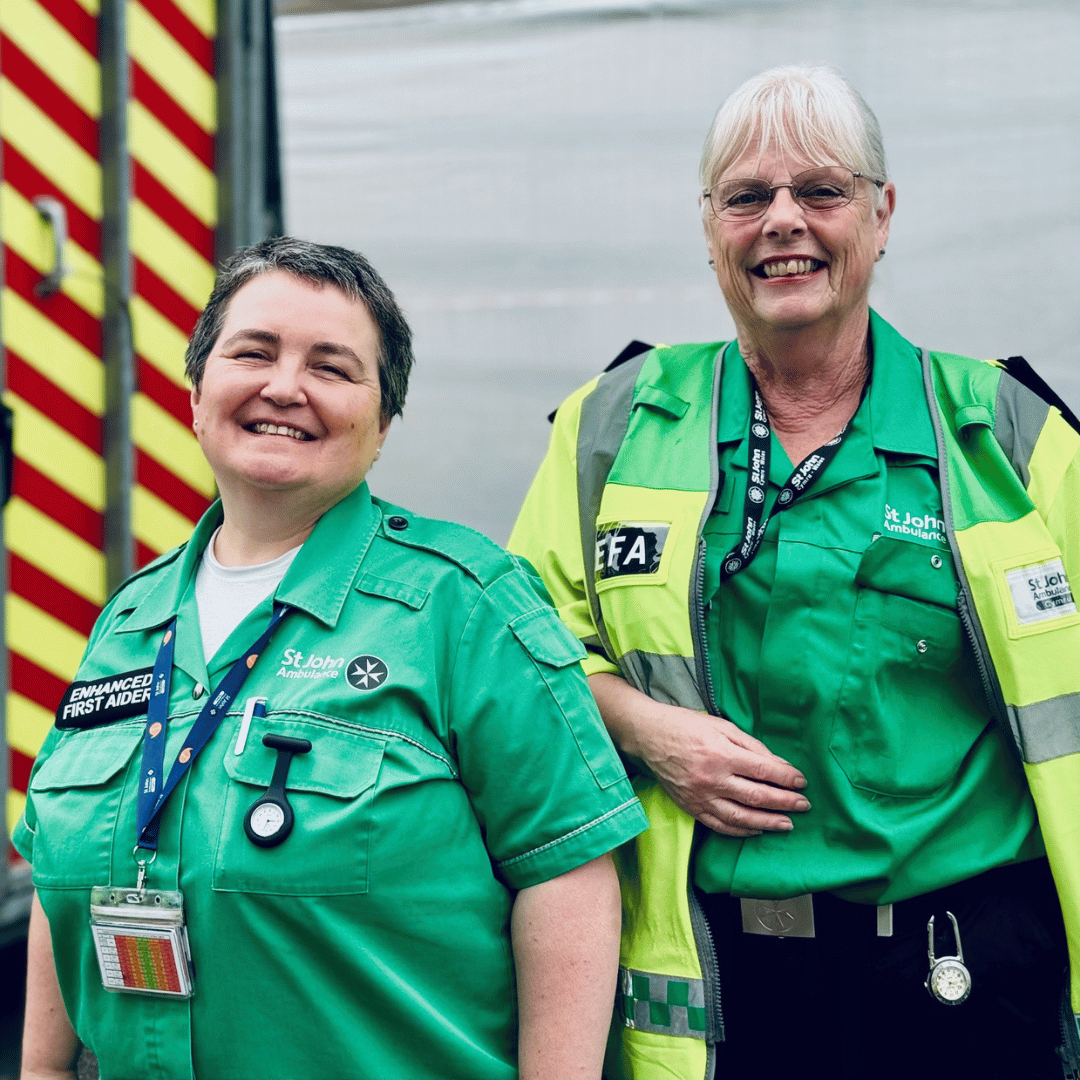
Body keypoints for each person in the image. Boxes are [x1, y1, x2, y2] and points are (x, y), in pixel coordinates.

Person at [509, 65, 1080, 1080]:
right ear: (710, 226)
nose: (784, 222)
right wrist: (646, 728)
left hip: (968, 971)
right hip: (719, 975)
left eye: (821, 191)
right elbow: (519, 649)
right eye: (747, 197)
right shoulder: (613, 425)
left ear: (882, 212)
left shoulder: (1009, 434)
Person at [17, 237, 648, 1080]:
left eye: (332, 366)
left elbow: (567, 873)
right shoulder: (130, 620)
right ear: (197, 390)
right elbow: (59, 872)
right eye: (254, 352)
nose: (285, 387)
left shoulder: (463, 603)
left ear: (383, 421)